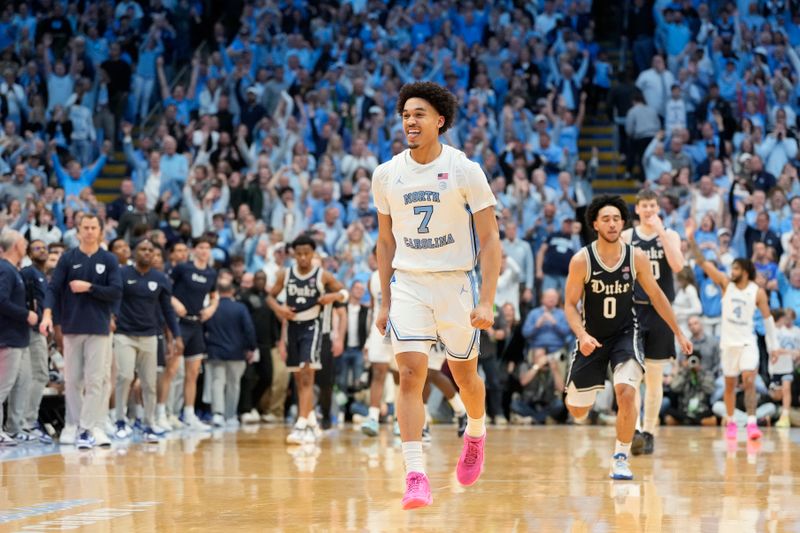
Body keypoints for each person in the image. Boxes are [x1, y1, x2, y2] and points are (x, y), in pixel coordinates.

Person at [371, 81, 501, 509]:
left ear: (440, 120)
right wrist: (385, 301)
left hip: (456, 283)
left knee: (465, 377)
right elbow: (385, 241)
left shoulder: (465, 169)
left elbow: (489, 238)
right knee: (411, 375)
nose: (410, 120)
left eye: (419, 113)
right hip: (408, 282)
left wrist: (487, 300)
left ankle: (476, 434)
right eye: (406, 114)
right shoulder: (387, 173)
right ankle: (415, 475)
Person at [563, 195, 692, 481]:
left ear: (623, 224)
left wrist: (678, 331)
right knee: (577, 411)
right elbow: (570, 305)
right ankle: (588, 388)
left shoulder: (636, 256)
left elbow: (657, 295)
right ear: (595, 224)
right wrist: (581, 334)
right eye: (606, 219)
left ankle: (620, 457)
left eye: (616, 219)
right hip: (592, 337)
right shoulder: (581, 260)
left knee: (628, 393)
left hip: (626, 333)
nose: (611, 224)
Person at [686, 218, 778, 441]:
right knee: (729, 385)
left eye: (735, 268)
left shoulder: (757, 291)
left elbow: (768, 321)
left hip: (748, 342)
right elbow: (702, 263)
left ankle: (752, 423)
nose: (731, 270)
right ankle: (731, 422)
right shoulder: (725, 284)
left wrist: (773, 347)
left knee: (748, 380)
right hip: (728, 344)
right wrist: (690, 239)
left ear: (745, 271)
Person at [40, 215, 122, 449]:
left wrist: (90, 288)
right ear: (78, 232)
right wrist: (47, 314)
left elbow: (116, 291)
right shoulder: (68, 258)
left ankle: (90, 427)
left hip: (99, 328)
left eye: (93, 227)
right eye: (85, 227)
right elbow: (54, 288)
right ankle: (72, 424)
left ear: (100, 231)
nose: (88, 231)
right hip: (72, 326)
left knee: (96, 380)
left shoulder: (108, 259)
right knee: (73, 379)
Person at [267, 234, 348, 445]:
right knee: (298, 376)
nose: (303, 258)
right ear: (293, 254)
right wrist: (279, 308)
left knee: (306, 372)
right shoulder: (285, 274)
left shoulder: (323, 275)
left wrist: (334, 296)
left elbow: (344, 293)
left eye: (307, 254)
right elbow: (270, 296)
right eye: (299, 254)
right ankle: (311, 418)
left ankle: (301, 423)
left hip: (313, 326)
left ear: (313, 254)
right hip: (293, 327)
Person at [621, 189, 684, 456]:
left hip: (661, 312)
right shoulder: (627, 237)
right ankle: (634, 429)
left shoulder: (669, 235)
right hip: (635, 311)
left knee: (655, 378)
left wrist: (661, 234)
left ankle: (649, 432)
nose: (648, 210)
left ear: (658, 208)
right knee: (633, 375)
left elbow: (678, 266)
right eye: (644, 206)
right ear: (637, 209)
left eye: (652, 206)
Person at [113, 239, 182, 442]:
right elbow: (114, 299)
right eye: (142, 249)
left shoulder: (160, 278)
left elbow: (168, 310)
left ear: (154, 255)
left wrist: (176, 336)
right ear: (135, 252)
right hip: (124, 334)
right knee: (124, 377)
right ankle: (119, 420)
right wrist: (111, 318)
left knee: (150, 383)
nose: (146, 253)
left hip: (150, 336)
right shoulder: (122, 273)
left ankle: (149, 423)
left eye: (150, 250)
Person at [160, 237, 218, 430]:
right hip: (179, 324)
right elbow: (165, 289)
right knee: (172, 369)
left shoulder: (211, 273)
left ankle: (189, 414)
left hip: (196, 324)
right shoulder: (183, 268)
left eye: (207, 248)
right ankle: (162, 413)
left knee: (193, 373)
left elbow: (214, 294)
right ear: (194, 250)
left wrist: (211, 308)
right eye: (201, 247)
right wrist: (175, 302)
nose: (204, 251)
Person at [7, 240, 52, 443]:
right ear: (28, 253)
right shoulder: (28, 273)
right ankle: (27, 421)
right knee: (36, 375)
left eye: (44, 247)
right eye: (36, 248)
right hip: (31, 330)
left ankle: (23, 422)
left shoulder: (43, 275)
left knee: (34, 376)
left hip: (39, 330)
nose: (42, 250)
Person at [0, 231, 38, 446]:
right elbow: (1, 300)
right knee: (2, 387)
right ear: (15, 245)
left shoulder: (13, 270)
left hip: (18, 337)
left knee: (21, 383)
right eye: (24, 242)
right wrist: (26, 314)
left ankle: (14, 428)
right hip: (8, 337)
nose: (26, 245)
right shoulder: (5, 269)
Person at [204, 280, 257, 427]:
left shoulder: (212, 308)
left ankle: (217, 414)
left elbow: (204, 327)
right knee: (234, 384)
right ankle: (231, 415)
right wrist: (251, 348)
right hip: (237, 353)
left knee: (217, 382)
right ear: (232, 291)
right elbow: (249, 329)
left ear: (218, 292)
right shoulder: (240, 308)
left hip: (216, 351)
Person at [361, 250, 395, 436]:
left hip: (403, 329)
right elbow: (373, 311)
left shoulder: (403, 272)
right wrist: (368, 340)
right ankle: (373, 417)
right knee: (378, 372)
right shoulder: (373, 279)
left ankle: (400, 419)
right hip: (379, 330)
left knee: (403, 375)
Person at [769, 309, 800, 428]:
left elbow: (795, 348)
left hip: (787, 367)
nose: (786, 321)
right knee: (777, 394)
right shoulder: (771, 333)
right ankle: (780, 411)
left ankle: (785, 416)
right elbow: (774, 350)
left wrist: (796, 353)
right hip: (775, 368)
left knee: (786, 389)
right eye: (784, 318)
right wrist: (791, 352)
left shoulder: (791, 333)